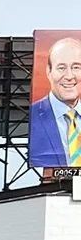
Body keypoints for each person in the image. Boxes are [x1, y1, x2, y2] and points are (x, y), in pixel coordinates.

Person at [28, 35, 81, 169]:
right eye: (61, 68)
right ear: (49, 72)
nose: (69, 76)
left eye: (76, 67)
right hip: (57, 186)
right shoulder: (32, 115)